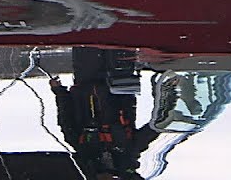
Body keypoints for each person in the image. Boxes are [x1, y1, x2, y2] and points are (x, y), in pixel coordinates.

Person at [51, 47, 156, 180]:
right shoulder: (128, 154)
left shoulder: (82, 149)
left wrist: (59, 91)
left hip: (86, 79)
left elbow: (66, 116)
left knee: (86, 37)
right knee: (120, 38)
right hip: (121, 79)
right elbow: (154, 128)